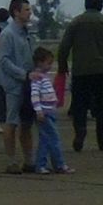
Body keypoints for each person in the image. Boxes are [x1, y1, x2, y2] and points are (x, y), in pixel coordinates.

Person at [57, 0, 103, 152]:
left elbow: (64, 47)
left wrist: (62, 66)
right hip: (102, 71)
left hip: (80, 70)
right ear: (101, 6)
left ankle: (80, 129)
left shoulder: (76, 22)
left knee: (80, 105)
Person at [0, 0, 37, 173]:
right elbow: (4, 61)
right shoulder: (7, 34)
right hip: (13, 84)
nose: (29, 13)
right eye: (26, 10)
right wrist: (23, 75)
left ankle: (29, 160)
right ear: (16, 12)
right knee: (11, 121)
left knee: (27, 123)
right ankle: (11, 161)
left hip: (28, 82)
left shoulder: (26, 33)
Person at [29, 46, 68, 174]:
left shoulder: (43, 77)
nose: (50, 66)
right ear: (40, 62)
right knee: (53, 138)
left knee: (46, 139)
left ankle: (42, 164)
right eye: (48, 63)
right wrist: (38, 110)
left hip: (48, 111)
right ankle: (58, 164)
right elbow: (34, 95)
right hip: (45, 112)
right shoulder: (39, 78)